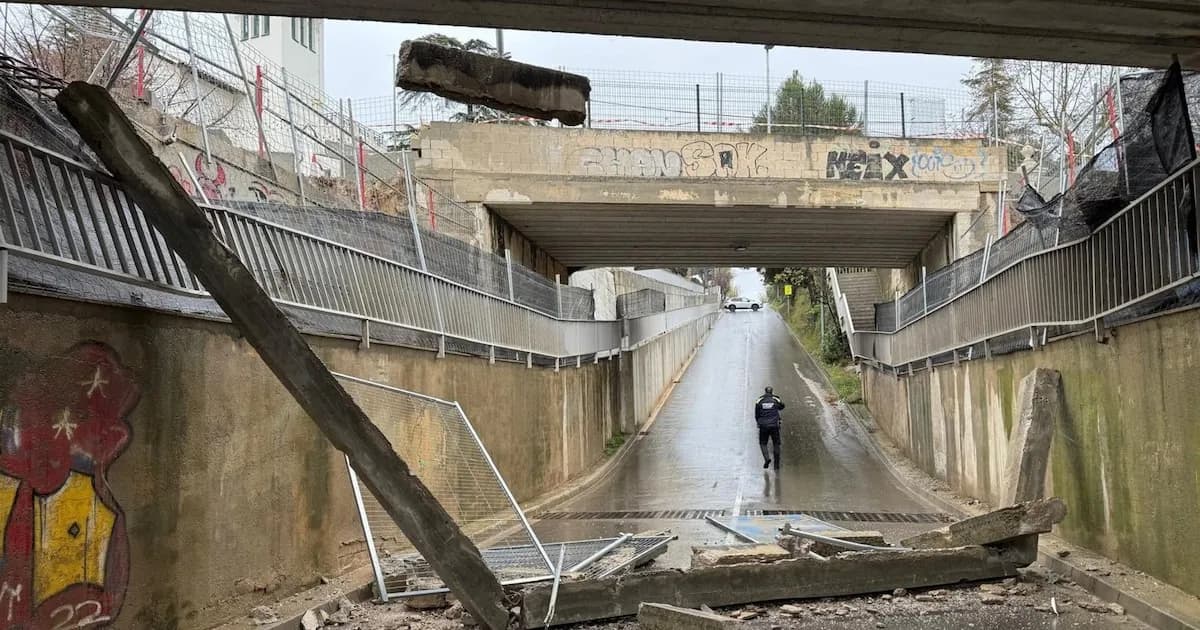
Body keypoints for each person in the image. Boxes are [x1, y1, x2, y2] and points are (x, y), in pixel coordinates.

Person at [754, 386, 785, 470]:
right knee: (776, 444)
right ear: (772, 392)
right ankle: (776, 465)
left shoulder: (759, 400)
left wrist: (758, 422)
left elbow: (756, 414)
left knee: (763, 443)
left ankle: (767, 458)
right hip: (774, 425)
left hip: (763, 426)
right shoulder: (775, 399)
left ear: (765, 392)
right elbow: (782, 406)